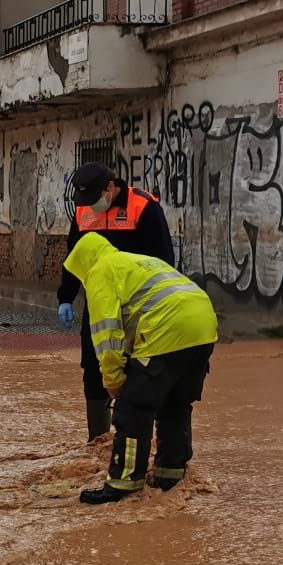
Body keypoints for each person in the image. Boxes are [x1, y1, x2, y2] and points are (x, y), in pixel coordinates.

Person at [62, 231, 217, 504]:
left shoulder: (101, 272)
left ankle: (124, 483)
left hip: (168, 330)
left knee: (133, 410)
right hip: (204, 327)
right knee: (175, 404)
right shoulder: (135, 262)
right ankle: (171, 475)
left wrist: (113, 381)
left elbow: (107, 337)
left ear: (83, 264)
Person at [56, 165, 174, 443]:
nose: (89, 206)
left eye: (94, 198)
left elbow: (163, 261)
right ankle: (98, 443)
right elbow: (75, 257)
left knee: (139, 369)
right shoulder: (84, 210)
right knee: (94, 368)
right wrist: (65, 297)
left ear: (110, 188)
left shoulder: (143, 207)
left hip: (138, 306)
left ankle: (134, 437)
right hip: (99, 303)